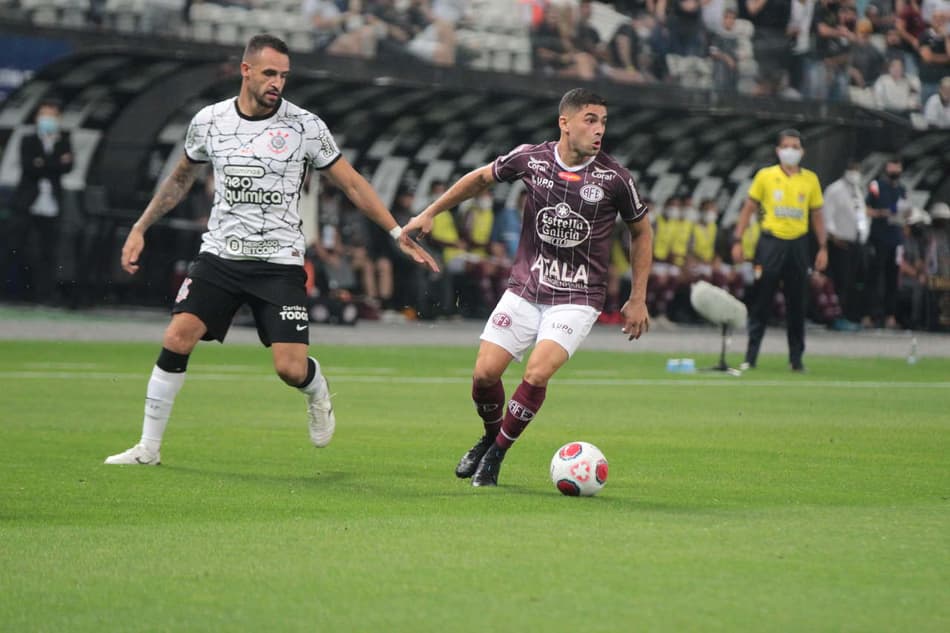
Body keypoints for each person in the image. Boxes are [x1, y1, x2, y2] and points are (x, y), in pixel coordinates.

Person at [104, 34, 436, 465]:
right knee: (178, 336)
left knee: (289, 369)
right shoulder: (210, 121)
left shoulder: (305, 127)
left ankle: (316, 389)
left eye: (283, 75)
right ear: (246, 71)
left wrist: (396, 233)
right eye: (269, 73)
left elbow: (351, 183)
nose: (277, 82)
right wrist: (140, 227)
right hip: (220, 255)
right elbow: (180, 178)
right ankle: (148, 448)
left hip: (278, 263)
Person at [400, 88, 652, 487]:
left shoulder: (615, 178)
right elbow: (480, 178)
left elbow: (642, 232)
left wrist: (638, 298)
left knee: (536, 374)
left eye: (603, 121)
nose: (599, 129)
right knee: (484, 375)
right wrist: (431, 212)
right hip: (525, 289)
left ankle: (497, 456)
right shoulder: (531, 159)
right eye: (590, 119)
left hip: (578, 297)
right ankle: (489, 437)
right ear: (564, 123)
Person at [731, 129, 828, 372]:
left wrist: (823, 247)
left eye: (795, 147)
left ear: (802, 151)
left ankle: (796, 360)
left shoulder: (811, 180)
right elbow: (748, 207)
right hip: (770, 244)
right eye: (786, 146)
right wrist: (737, 239)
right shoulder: (765, 176)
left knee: (797, 303)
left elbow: (817, 215)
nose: (791, 151)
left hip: (798, 245)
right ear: (777, 150)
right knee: (761, 301)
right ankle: (750, 358)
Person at [7, 99, 73, 303]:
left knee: (49, 251)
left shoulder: (63, 140)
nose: (47, 120)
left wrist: (44, 163)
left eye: (51, 116)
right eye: (44, 115)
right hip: (27, 202)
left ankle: (44, 295)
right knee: (15, 246)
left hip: (51, 204)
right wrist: (54, 163)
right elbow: (30, 167)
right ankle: (10, 292)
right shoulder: (28, 139)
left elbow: (68, 166)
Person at [864, 157, 909, 329]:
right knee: (874, 277)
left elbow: (904, 210)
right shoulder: (876, 186)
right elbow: (866, 209)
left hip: (895, 239)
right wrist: (881, 213)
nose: (895, 170)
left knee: (892, 279)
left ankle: (890, 316)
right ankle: (869, 314)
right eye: (892, 167)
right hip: (879, 237)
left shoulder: (902, 189)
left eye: (897, 167)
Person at [822, 160, 868, 327]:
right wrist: (833, 236)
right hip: (840, 243)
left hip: (856, 242)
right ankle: (835, 316)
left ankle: (849, 314)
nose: (855, 173)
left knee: (853, 282)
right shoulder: (835, 190)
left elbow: (860, 215)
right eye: (853, 169)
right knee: (840, 281)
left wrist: (863, 235)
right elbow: (827, 214)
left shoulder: (857, 191)